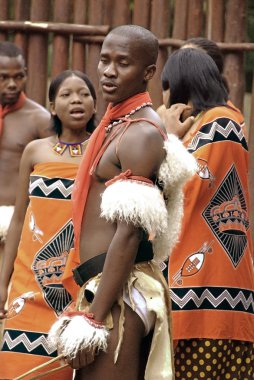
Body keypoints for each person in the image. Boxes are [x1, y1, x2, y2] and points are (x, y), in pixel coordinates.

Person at [45, 25, 197, 380]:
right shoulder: (118, 123)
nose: (109, 71)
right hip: (106, 288)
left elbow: (129, 236)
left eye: (123, 63)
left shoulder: (141, 132)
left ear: (147, 73)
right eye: (104, 60)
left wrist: (93, 320)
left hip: (120, 295)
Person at [162, 48, 254, 379]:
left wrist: (169, 137)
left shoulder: (223, 122)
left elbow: (187, 186)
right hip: (201, 277)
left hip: (208, 283)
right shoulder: (205, 121)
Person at [0, 70, 97, 379]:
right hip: (27, 284)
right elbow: (18, 220)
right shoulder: (35, 150)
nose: (76, 100)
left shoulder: (104, 153)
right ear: (52, 106)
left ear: (95, 103)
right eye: (66, 95)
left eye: (83, 93)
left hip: (78, 287)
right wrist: (3, 284)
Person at [0, 41, 51, 258]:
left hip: (14, 223)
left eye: (18, 76)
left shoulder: (39, 119)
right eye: (3, 77)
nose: (12, 84)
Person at [158, 37, 247, 139]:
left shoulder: (221, 121)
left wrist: (171, 137)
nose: (179, 64)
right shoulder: (166, 113)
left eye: (190, 61)